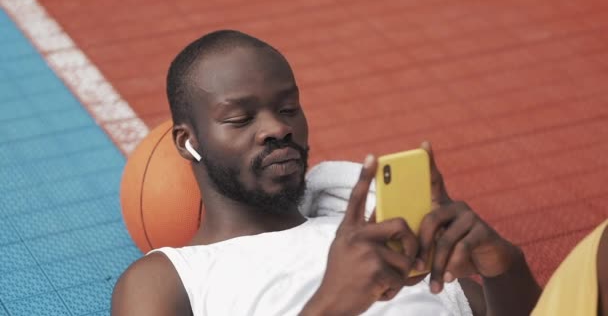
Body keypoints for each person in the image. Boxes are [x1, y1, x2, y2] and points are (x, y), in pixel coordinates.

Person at [111, 30, 541, 315]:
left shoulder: (386, 242)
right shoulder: (167, 281)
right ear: (189, 141)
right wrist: (333, 303)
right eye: (240, 118)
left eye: (287, 109)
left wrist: (506, 267)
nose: (278, 128)